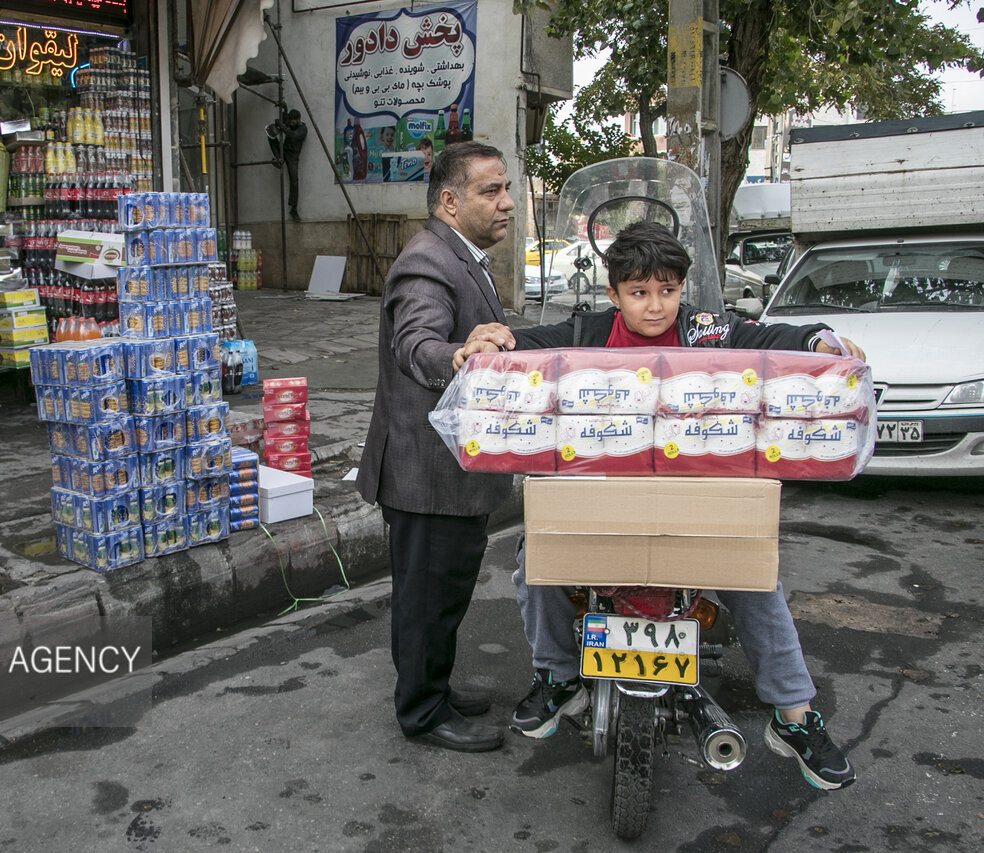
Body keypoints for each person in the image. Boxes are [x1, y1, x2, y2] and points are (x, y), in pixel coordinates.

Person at [456, 221, 862, 790]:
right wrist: (492, 340)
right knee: (537, 562)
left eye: (667, 291)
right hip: (598, 497)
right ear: (614, 294)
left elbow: (770, 339)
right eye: (640, 293)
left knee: (756, 578)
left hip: (696, 499)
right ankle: (557, 677)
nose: (655, 306)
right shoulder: (588, 333)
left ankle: (794, 717)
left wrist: (820, 339)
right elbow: (527, 343)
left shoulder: (707, 331)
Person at [357, 141, 517, 753]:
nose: (505, 203)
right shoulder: (426, 261)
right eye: (489, 191)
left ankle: (434, 687)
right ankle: (422, 712)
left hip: (452, 469)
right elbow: (416, 339)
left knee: (443, 595)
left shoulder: (464, 256)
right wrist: (455, 354)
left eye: (505, 189)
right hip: (425, 471)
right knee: (426, 599)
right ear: (449, 201)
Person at [270, 108, 307, 221]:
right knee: (270, 135)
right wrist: (283, 110)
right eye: (290, 121)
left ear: (298, 119)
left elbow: (293, 136)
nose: (291, 123)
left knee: (294, 181)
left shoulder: (302, 129)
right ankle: (278, 159)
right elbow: (284, 119)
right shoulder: (291, 124)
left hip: (293, 156)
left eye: (293, 121)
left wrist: (282, 126)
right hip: (284, 151)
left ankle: (294, 208)